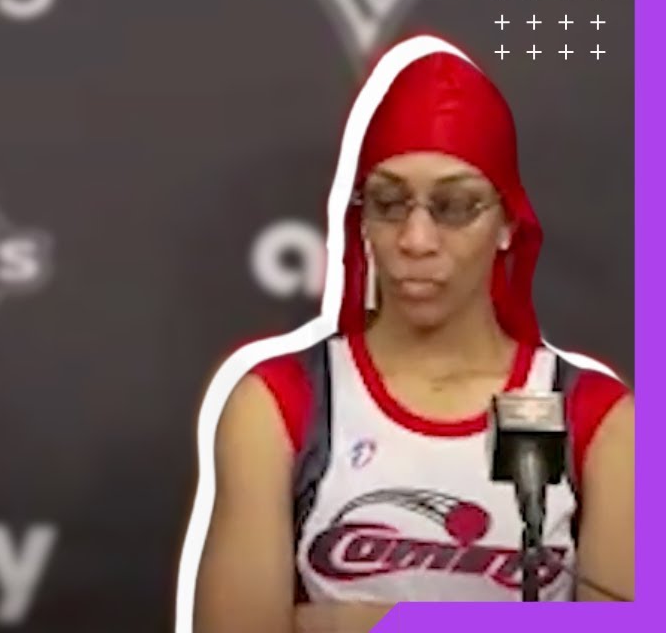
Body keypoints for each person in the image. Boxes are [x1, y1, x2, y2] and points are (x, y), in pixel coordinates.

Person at [194, 48, 634, 633]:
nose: (416, 239)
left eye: (454, 207)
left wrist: (345, 624)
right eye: (388, 203)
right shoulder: (278, 406)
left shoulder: (599, 421)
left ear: (508, 224)